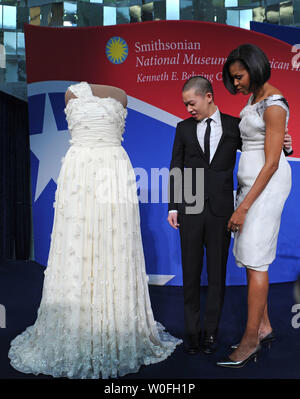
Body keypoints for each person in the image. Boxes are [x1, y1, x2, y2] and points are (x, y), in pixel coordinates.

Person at [8, 81, 182, 379]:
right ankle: (78, 325)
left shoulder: (121, 95)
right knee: (78, 243)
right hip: (80, 172)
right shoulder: (72, 93)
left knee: (113, 244)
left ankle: (116, 325)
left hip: (114, 169)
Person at [167, 76, 292, 356]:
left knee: (216, 275)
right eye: (185, 104)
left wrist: (287, 145)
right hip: (190, 206)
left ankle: (211, 334)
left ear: (208, 96)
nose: (188, 108)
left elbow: (261, 148)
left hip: (222, 210)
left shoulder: (235, 126)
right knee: (190, 274)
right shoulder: (183, 128)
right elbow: (176, 166)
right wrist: (173, 206)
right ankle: (192, 335)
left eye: (191, 103)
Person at [216, 43, 292, 368]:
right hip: (252, 186)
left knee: (257, 260)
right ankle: (263, 327)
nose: (236, 85)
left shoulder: (274, 104)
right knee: (251, 258)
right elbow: (269, 144)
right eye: (232, 79)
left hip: (266, 188)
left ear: (255, 67)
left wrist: (244, 207)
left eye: (239, 77)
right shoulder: (255, 100)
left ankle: (250, 342)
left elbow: (272, 163)